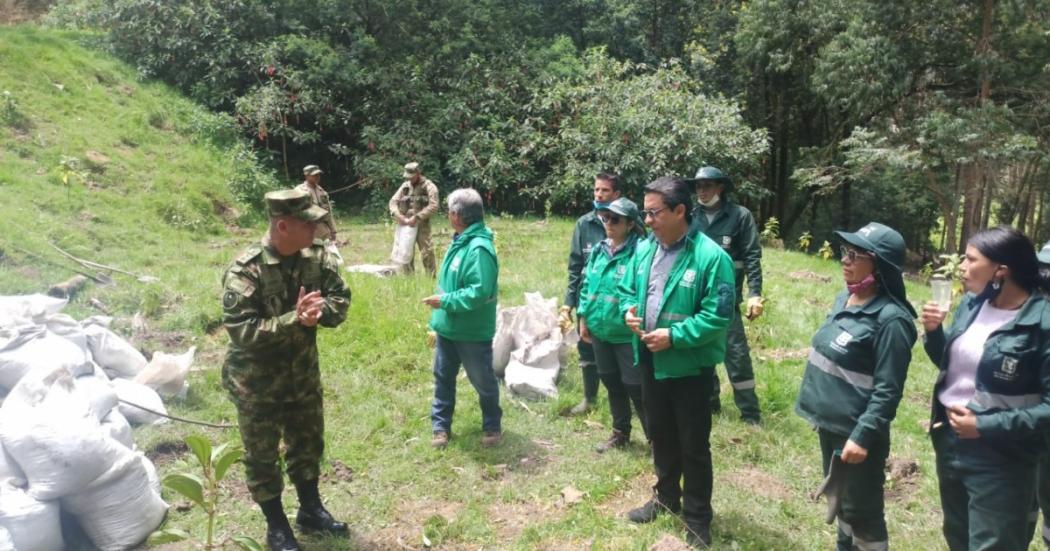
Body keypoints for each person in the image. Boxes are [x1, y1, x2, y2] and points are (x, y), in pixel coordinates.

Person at [221, 188, 351, 551]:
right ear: (282, 226)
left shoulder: (316, 258)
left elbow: (341, 298)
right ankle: (276, 526)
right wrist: (296, 319)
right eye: (307, 223)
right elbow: (242, 332)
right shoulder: (246, 271)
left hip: (302, 374)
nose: (316, 229)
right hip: (257, 383)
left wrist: (321, 312)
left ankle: (311, 509)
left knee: (307, 442)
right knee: (262, 455)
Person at [618, 176, 736, 548]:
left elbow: (718, 316)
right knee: (661, 435)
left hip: (690, 369)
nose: (647, 220)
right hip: (650, 361)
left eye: (653, 213)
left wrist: (674, 336)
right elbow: (626, 290)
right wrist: (629, 311)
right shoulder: (644, 251)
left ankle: (698, 516)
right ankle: (666, 496)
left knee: (693, 444)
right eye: (644, 212)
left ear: (680, 211)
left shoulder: (711, 258)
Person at [921, 226, 1050, 551]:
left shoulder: (1043, 324)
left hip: (1004, 458)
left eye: (970, 259)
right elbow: (955, 368)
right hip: (950, 443)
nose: (961, 267)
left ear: (1001, 270)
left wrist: (983, 425)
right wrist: (935, 333)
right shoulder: (972, 305)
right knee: (958, 540)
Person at [795, 222, 917, 551]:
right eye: (844, 253)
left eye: (855, 255)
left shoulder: (892, 322)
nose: (845, 261)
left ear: (880, 266)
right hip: (831, 428)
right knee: (842, 504)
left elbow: (887, 391)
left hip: (856, 435)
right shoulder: (845, 299)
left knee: (863, 513)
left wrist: (862, 436)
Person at [423, 188, 502, 449]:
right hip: (448, 328)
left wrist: (445, 302)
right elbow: (447, 284)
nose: (447, 215)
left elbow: (479, 291)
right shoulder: (460, 241)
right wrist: (436, 321)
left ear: (456, 215)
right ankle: (440, 428)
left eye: (448, 211)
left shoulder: (478, 249)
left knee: (483, 381)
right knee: (443, 377)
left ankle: (492, 425)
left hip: (471, 331)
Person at [688, 166, 763, 423]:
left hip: (725, 298)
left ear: (720, 187)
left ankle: (750, 413)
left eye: (707, 185)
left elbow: (752, 256)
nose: (702, 190)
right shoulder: (690, 217)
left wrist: (755, 293)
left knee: (737, 354)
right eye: (698, 186)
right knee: (702, 350)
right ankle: (710, 404)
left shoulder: (740, 216)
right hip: (695, 298)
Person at [577, 197, 649, 452]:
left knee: (635, 387)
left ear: (630, 224)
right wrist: (583, 316)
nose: (608, 223)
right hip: (599, 330)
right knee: (610, 382)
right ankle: (620, 433)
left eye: (615, 219)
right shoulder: (599, 250)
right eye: (606, 217)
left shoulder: (641, 252)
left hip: (625, 334)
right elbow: (586, 286)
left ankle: (656, 439)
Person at [562, 172, 623, 415]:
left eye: (605, 191)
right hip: (588, 300)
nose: (599, 194)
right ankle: (590, 399)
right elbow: (575, 267)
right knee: (586, 348)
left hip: (616, 301)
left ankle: (621, 398)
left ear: (616, 194)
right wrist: (569, 304)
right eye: (596, 190)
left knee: (618, 349)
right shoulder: (584, 224)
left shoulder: (628, 221)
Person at [388, 161, 440, 276]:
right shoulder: (405, 186)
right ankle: (409, 278)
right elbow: (393, 202)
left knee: (427, 252)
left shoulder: (429, 186)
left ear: (418, 173)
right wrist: (398, 215)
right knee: (406, 251)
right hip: (406, 224)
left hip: (422, 225)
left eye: (412, 176)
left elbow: (434, 205)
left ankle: (431, 278)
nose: (409, 179)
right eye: (408, 177)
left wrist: (417, 217)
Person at [295, 165, 338, 244]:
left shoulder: (322, 191)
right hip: (309, 231)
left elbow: (328, 212)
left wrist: (333, 230)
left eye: (318, 175)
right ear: (307, 176)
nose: (318, 177)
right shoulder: (299, 191)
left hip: (324, 231)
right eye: (314, 175)